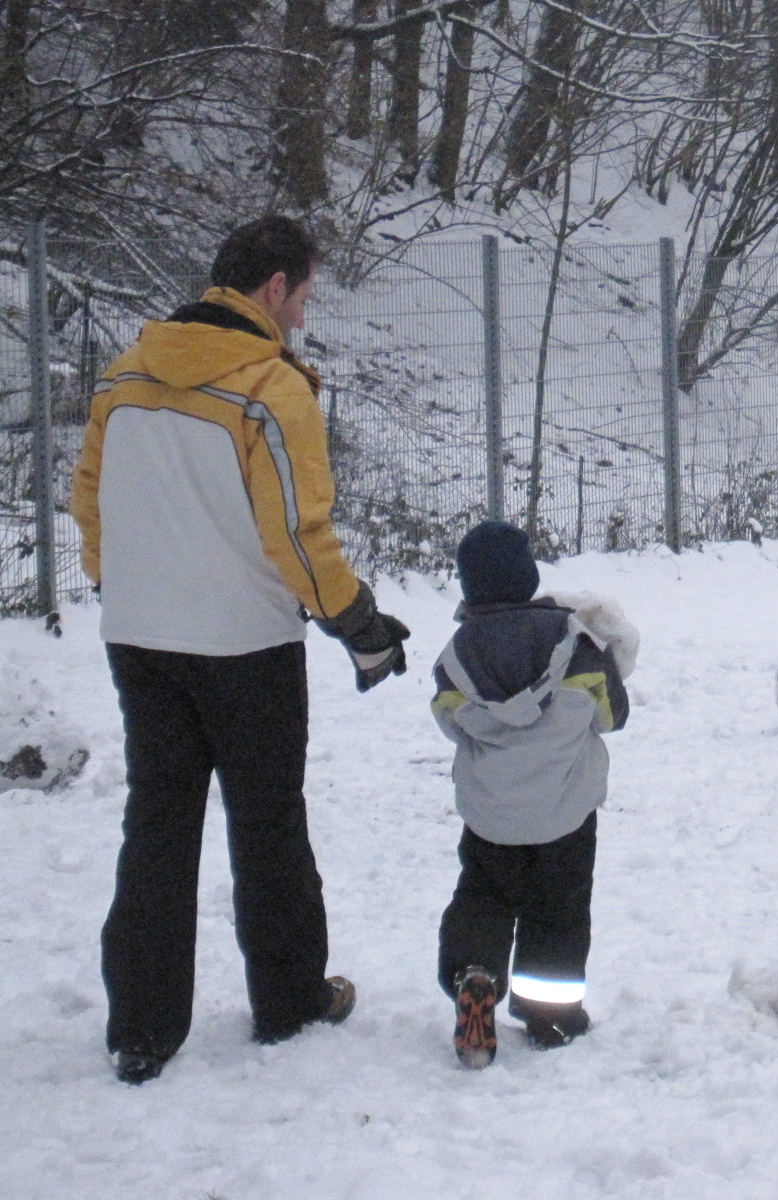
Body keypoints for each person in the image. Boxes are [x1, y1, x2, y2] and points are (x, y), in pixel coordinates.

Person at [69, 215, 410, 1085]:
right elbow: (297, 532)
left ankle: (142, 1027)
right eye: (303, 296)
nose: (302, 315)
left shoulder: (125, 375)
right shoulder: (270, 388)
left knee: (157, 821)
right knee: (267, 822)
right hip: (246, 647)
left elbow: (90, 501)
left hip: (140, 638)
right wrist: (356, 620)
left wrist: (121, 585)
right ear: (274, 287)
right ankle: (289, 998)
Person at [432, 521, 630, 1068]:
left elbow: (450, 721)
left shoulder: (458, 655)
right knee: (559, 909)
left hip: (492, 814)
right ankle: (551, 1017)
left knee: (484, 894)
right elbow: (611, 715)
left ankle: (475, 971)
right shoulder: (574, 641)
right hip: (565, 811)